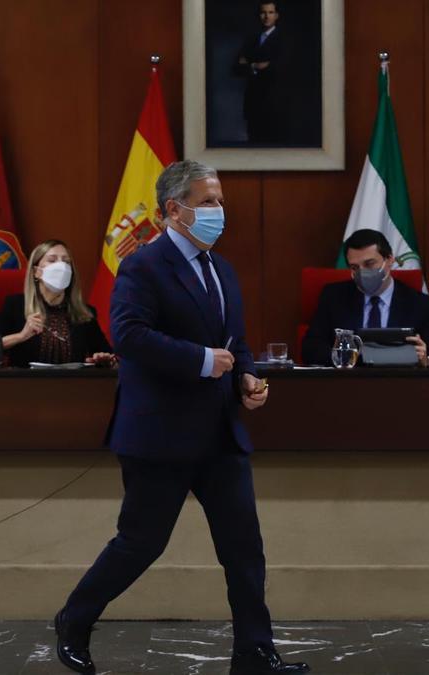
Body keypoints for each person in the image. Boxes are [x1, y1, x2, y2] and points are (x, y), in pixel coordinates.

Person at [53, 160, 310, 675]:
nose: (219, 211)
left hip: (219, 433)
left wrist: (247, 378)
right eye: (209, 201)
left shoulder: (222, 268)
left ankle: (255, 651)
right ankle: (74, 619)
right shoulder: (143, 266)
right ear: (175, 209)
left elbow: (235, 343)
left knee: (244, 548)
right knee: (140, 543)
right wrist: (200, 360)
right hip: (159, 431)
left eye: (220, 201)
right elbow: (128, 334)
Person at [300, 229, 429, 367]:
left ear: (389, 259)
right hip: (348, 383)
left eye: (369, 264)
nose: (362, 272)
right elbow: (311, 349)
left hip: (397, 384)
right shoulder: (333, 297)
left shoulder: (420, 304)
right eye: (354, 267)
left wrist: (425, 359)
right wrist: (357, 357)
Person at [0, 240, 115, 367]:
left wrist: (103, 358)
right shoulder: (16, 306)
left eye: (66, 262)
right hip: (26, 385)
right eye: (52, 260)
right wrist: (21, 336)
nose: (62, 266)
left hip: (73, 386)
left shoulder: (84, 313)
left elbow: (109, 357)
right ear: (36, 272)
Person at [234, 1, 287, 143]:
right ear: (259, 15)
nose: (266, 16)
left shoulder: (284, 39)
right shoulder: (251, 39)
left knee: (272, 147)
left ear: (276, 15)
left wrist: (251, 64)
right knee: (253, 145)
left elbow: (283, 68)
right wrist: (255, 66)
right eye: (263, 12)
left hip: (274, 103)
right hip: (253, 102)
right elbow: (236, 67)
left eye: (270, 13)